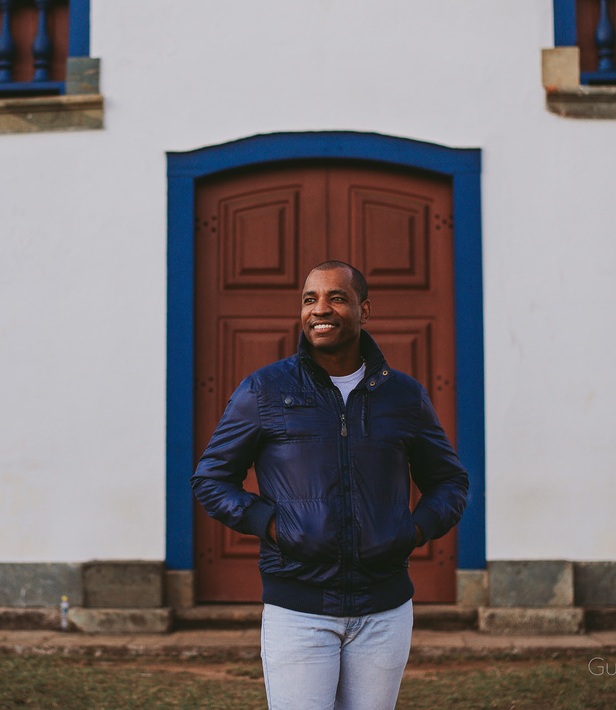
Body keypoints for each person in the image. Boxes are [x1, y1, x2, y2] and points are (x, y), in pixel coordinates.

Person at [191, 261, 469, 710]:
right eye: (310, 299)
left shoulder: (404, 396)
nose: (320, 309)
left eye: (336, 297)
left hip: (385, 611)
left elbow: (449, 480)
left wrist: (413, 531)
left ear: (364, 310)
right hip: (297, 610)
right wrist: (274, 526)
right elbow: (212, 477)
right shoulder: (264, 390)